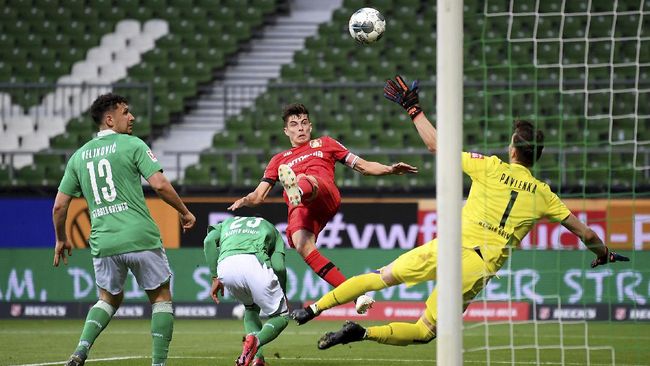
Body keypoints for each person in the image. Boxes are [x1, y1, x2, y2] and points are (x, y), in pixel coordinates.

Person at [290, 76, 630, 349]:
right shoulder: (544, 195)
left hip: (447, 245)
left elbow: (437, 146)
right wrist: (604, 253)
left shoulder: (490, 166)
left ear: (512, 149)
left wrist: (414, 110)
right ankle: (362, 334)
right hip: (477, 264)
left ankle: (314, 308)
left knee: (379, 278)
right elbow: (587, 234)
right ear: (535, 157)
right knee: (424, 332)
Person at [228, 103, 418, 313]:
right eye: (294, 124)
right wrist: (246, 200)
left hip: (323, 192)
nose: (300, 128)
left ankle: (299, 187)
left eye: (304, 123)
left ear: (310, 126)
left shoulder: (325, 144)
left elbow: (363, 166)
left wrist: (389, 169)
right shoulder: (278, 160)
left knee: (304, 178)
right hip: (300, 207)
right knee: (302, 245)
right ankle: (357, 296)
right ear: (286, 131)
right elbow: (258, 196)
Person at [52, 93, 196, 366]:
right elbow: (161, 185)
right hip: (140, 236)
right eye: (126, 112)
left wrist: (61, 238)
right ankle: (158, 364)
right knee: (161, 298)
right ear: (110, 119)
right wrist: (184, 211)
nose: (132, 117)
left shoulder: (78, 157)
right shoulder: (132, 145)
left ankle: (80, 351)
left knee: (108, 299)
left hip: (103, 242)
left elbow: (59, 207)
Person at [204, 216, 289, 366]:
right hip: (254, 262)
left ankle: (258, 360)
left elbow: (208, 242)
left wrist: (215, 277)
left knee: (251, 309)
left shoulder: (227, 223)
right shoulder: (272, 229)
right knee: (281, 316)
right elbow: (279, 267)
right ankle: (256, 342)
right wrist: (283, 291)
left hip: (226, 266)